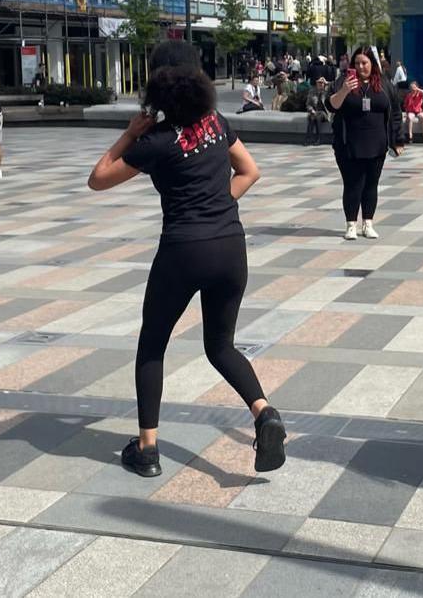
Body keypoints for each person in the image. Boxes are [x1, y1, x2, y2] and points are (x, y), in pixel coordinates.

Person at [88, 40, 285, 478]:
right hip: (230, 246)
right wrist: (217, 205)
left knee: (152, 343)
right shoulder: (216, 123)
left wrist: (129, 134)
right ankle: (265, 413)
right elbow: (250, 171)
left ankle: (148, 449)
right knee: (220, 345)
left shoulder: (156, 140)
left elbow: (97, 179)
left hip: (182, 249)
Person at [328, 46, 400, 241]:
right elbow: (331, 105)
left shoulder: (384, 83)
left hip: (377, 144)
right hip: (349, 144)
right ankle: (351, 224)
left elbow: (394, 112)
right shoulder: (344, 81)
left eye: (365, 63)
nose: (361, 67)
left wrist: (396, 140)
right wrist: (344, 90)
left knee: (371, 185)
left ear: (372, 64)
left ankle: (368, 223)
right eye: (357, 63)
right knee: (353, 185)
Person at [304, 76, 331, 146]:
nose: (321, 84)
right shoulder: (312, 92)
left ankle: (318, 138)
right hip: (315, 112)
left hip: (325, 113)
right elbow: (308, 104)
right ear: (316, 83)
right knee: (312, 117)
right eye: (319, 83)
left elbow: (335, 86)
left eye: (322, 83)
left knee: (318, 116)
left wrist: (327, 83)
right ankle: (309, 138)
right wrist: (311, 110)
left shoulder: (327, 91)